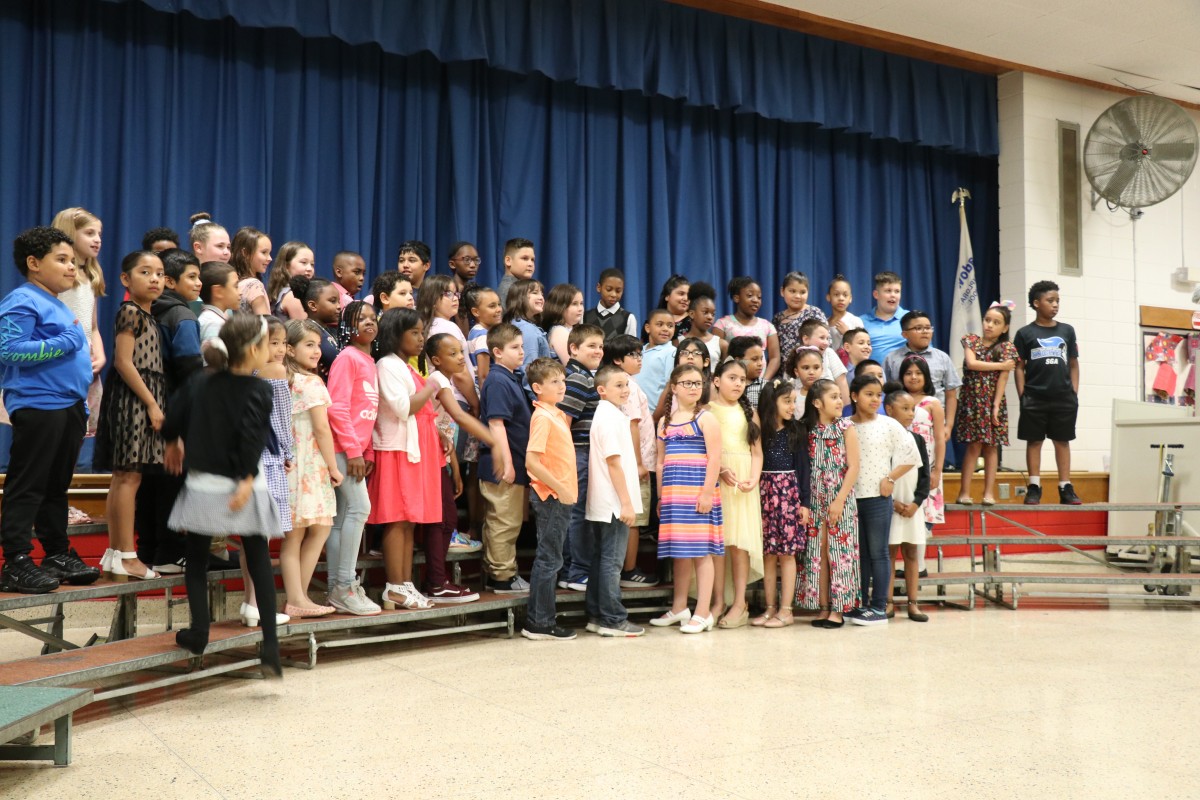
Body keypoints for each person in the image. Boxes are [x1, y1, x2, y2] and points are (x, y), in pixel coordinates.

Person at [163, 313, 283, 677]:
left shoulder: (200, 380)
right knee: (259, 560)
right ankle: (271, 648)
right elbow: (251, 438)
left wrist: (172, 443)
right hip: (242, 484)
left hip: (203, 484)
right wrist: (246, 480)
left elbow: (172, 417)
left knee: (197, 558)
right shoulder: (260, 389)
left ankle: (199, 631)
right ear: (253, 349)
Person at [0, 226, 97, 593]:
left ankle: (56, 552)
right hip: (38, 405)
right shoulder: (22, 300)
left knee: (56, 487)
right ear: (33, 263)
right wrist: (66, 340)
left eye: (73, 261)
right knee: (28, 485)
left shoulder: (56, 302)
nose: (72, 267)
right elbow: (8, 350)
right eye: (62, 260)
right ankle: (15, 561)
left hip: (68, 407)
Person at [94, 251, 168, 581]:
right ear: (126, 279)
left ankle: (115, 553)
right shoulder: (130, 311)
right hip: (132, 400)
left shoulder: (150, 316)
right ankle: (126, 554)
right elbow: (123, 362)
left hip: (142, 397)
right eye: (145, 272)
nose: (154, 278)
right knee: (128, 476)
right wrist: (152, 403)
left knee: (127, 476)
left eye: (160, 273)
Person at [137, 248, 203, 574]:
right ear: (171, 281)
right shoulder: (183, 316)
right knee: (174, 482)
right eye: (192, 276)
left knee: (150, 481)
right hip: (175, 412)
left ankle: (147, 549)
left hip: (146, 410)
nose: (199, 283)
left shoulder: (146, 311)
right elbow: (190, 367)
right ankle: (170, 553)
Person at [369, 308, 441, 609]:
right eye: (414, 332)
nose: (421, 338)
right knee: (397, 520)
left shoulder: (404, 365)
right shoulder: (387, 365)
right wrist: (432, 385)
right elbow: (403, 407)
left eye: (422, 332)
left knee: (410, 520)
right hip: (396, 448)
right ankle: (394, 586)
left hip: (413, 449)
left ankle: (405, 583)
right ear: (396, 334)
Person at [649, 364, 723, 634]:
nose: (694, 387)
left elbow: (715, 458)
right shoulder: (664, 421)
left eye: (697, 383)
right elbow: (660, 461)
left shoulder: (705, 418)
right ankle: (679, 607)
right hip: (673, 495)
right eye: (687, 383)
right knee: (679, 552)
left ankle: (703, 613)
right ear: (674, 387)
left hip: (698, 494)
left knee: (701, 552)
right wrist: (660, 497)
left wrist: (706, 493)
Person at [422, 333, 491, 602]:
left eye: (461, 352)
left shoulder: (445, 381)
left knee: (447, 519)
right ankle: (437, 583)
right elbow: (458, 417)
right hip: (429, 457)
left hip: (440, 455)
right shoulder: (437, 379)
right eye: (453, 354)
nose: (461, 357)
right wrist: (492, 439)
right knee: (443, 520)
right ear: (437, 360)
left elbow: (444, 430)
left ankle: (439, 581)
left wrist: (453, 465)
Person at [847, 373, 919, 626]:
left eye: (878, 395)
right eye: (869, 394)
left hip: (878, 499)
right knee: (859, 554)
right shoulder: (845, 425)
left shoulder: (889, 424)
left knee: (878, 553)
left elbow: (912, 456)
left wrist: (890, 478)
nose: (875, 399)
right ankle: (858, 603)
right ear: (854, 396)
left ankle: (878, 605)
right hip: (851, 499)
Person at [325, 302, 384, 615]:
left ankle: (337, 586)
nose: (369, 323)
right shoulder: (347, 358)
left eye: (373, 318)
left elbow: (367, 413)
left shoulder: (367, 360)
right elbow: (337, 408)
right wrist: (353, 451)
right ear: (347, 326)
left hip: (356, 449)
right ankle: (346, 585)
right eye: (362, 319)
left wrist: (368, 450)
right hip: (342, 448)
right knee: (360, 508)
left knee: (342, 517)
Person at [282, 319, 343, 616]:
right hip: (308, 462)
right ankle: (297, 598)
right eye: (309, 344)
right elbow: (322, 428)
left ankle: (299, 597)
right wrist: (333, 467)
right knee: (308, 531)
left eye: (318, 345)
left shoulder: (286, 379)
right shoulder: (311, 382)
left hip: (293, 463)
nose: (317, 351)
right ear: (290, 349)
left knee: (309, 530)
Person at [583, 364, 646, 637]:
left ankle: (597, 615)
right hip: (613, 502)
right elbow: (613, 463)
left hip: (608, 501)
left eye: (627, 384)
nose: (625, 389)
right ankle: (612, 619)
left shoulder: (612, 414)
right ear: (602, 390)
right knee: (612, 561)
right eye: (618, 385)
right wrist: (626, 503)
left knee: (602, 559)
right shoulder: (608, 417)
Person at [521, 357, 578, 640]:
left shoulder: (554, 412)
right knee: (549, 558)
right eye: (554, 382)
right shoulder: (542, 416)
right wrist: (560, 488)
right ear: (537, 387)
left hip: (560, 496)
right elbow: (532, 461)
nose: (562, 386)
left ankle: (543, 617)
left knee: (552, 557)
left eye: (563, 381)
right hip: (551, 496)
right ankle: (540, 622)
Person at [798, 379, 859, 628]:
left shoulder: (846, 427)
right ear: (816, 402)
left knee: (839, 552)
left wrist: (839, 500)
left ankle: (839, 607)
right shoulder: (806, 430)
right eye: (833, 396)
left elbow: (854, 467)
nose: (839, 401)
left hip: (839, 498)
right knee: (819, 551)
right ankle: (823, 605)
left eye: (839, 396)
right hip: (814, 498)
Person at [244, 317, 293, 628]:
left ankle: (251, 603)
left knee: (251, 538)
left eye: (283, 343)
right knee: (258, 539)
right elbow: (281, 419)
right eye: (272, 343)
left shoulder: (243, 370)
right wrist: (288, 452)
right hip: (268, 458)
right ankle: (261, 606)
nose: (279, 350)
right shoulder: (275, 371)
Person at [476, 322, 532, 593]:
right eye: (515, 347)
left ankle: (502, 572)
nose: (521, 352)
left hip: (515, 464)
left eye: (522, 346)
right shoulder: (498, 380)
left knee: (506, 521)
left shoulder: (510, 376)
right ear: (497, 352)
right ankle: (502, 577)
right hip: (502, 466)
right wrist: (507, 464)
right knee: (503, 522)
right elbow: (496, 424)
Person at [707, 359, 763, 629]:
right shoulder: (707, 410)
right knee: (719, 544)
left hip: (742, 482)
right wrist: (718, 470)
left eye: (742, 379)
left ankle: (740, 603)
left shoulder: (749, 411)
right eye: (732, 378)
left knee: (739, 544)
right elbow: (704, 450)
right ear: (717, 380)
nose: (738, 383)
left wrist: (754, 477)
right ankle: (718, 601)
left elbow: (757, 452)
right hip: (717, 479)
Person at [1014, 280, 1081, 505]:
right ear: (1036, 303)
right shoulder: (1025, 333)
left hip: (1063, 397)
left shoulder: (1067, 331)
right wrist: (1023, 394)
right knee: (1034, 441)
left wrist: (1074, 392)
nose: (1055, 305)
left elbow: (1073, 363)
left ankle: (1065, 486)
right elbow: (1019, 366)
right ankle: (1034, 486)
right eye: (1050, 300)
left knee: (1062, 441)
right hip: (1034, 397)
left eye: (1057, 301)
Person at [50, 208, 106, 469]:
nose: (97, 239)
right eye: (89, 233)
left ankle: (64, 499)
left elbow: (92, 325)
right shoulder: (58, 279)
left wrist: (100, 352)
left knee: (75, 436)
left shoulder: (92, 275)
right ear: (71, 234)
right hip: (61, 364)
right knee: (55, 436)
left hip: (85, 363)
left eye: (99, 234)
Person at [753, 377, 811, 628]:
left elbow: (803, 469)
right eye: (787, 401)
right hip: (763, 493)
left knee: (787, 555)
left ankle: (786, 610)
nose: (792, 407)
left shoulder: (796, 431)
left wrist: (805, 503)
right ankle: (769, 607)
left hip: (788, 494)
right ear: (771, 402)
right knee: (768, 554)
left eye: (794, 402)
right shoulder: (760, 431)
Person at [602, 335, 659, 588]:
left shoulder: (628, 384)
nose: (639, 359)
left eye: (640, 354)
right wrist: (638, 463)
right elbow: (634, 425)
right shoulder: (629, 386)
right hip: (638, 462)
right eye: (633, 355)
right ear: (617, 360)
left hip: (636, 460)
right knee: (635, 517)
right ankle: (630, 570)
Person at [557, 324, 606, 592]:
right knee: (578, 514)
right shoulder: (579, 378)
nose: (598, 351)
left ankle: (568, 571)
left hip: (580, 453)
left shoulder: (582, 375)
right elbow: (564, 422)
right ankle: (577, 573)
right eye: (591, 346)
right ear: (574, 349)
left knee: (574, 513)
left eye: (600, 346)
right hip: (578, 452)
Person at [957, 302, 1018, 505]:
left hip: (993, 401)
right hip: (973, 400)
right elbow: (973, 364)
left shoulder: (1007, 347)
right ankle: (964, 492)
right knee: (974, 446)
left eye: (996, 322)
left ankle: (988, 493)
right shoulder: (971, 341)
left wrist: (996, 405)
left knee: (992, 446)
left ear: (1005, 328)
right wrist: (1001, 365)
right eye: (987, 320)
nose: (989, 325)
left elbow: (1003, 378)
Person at [883, 386, 931, 623]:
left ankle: (913, 603)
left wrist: (916, 503)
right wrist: (892, 502)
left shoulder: (918, 440)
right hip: (889, 505)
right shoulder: (883, 438)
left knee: (911, 553)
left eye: (912, 409)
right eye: (905, 408)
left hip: (913, 507)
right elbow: (878, 473)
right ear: (889, 409)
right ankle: (888, 601)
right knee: (889, 554)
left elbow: (925, 477)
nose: (911, 413)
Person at [882, 310, 961, 445]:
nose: (925, 332)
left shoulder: (942, 357)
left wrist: (948, 426)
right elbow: (886, 393)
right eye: (918, 328)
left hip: (933, 423)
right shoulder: (892, 359)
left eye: (928, 328)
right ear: (905, 334)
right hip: (900, 424)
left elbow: (951, 394)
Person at [900, 355, 946, 536]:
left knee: (923, 522)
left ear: (926, 376)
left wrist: (937, 471)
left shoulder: (933, 403)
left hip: (927, 464)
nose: (913, 377)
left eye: (918, 373)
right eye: (908, 373)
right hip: (903, 464)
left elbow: (940, 439)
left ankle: (920, 564)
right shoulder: (895, 401)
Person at [713, 277, 780, 379]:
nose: (755, 300)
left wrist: (763, 382)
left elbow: (775, 357)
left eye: (759, 297)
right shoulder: (723, 324)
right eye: (749, 295)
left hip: (760, 383)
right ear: (737, 298)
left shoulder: (767, 326)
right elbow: (717, 356)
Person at [775, 271, 827, 369]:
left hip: (810, 371)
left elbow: (826, 342)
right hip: (785, 373)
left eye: (802, 292)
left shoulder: (814, 313)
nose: (797, 296)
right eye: (792, 291)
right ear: (782, 291)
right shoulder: (778, 318)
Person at [503, 278, 552, 381]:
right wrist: (535, 396)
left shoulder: (520, 324)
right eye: (535, 293)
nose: (541, 298)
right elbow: (529, 370)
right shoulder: (527, 330)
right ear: (520, 297)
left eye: (542, 294)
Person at [294, 276, 341, 381]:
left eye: (339, 301)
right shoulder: (307, 332)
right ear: (313, 305)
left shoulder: (326, 330)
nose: (339, 306)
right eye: (333, 301)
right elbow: (338, 363)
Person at [634, 308, 677, 411]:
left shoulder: (672, 352)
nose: (666, 329)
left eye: (670, 326)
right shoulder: (639, 351)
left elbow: (669, 386)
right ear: (648, 328)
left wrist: (657, 416)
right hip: (635, 412)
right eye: (660, 324)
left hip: (655, 414)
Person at [798, 318, 849, 404]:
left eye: (827, 338)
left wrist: (846, 410)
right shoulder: (797, 356)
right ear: (806, 339)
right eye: (822, 338)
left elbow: (842, 383)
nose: (826, 342)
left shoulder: (829, 353)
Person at [859, 271, 909, 360]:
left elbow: (925, 351)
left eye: (897, 291)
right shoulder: (860, 322)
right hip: (870, 373)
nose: (893, 295)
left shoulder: (910, 319)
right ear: (876, 294)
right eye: (888, 291)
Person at [197, 261, 238, 366]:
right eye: (236, 286)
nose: (240, 292)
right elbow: (213, 366)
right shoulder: (213, 323)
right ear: (218, 291)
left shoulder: (216, 319)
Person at [583, 267, 638, 340]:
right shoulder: (585, 316)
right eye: (609, 289)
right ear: (599, 287)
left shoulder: (628, 318)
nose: (614, 295)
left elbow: (631, 348)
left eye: (618, 291)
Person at [229, 226, 272, 315]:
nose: (270, 258)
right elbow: (265, 323)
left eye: (269, 253)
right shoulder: (254, 285)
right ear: (245, 253)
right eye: (264, 252)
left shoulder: (232, 285)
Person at [267, 241, 315, 319]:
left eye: (312, 264)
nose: (310, 269)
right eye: (303, 262)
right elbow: (305, 330)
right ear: (286, 266)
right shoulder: (293, 296)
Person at [542, 282, 585, 364]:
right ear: (560, 307)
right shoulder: (560, 331)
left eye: (581, 303)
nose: (580, 308)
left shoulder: (570, 329)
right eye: (574, 304)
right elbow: (571, 365)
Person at [685, 281, 726, 364]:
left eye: (713, 314)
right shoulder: (678, 342)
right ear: (692, 314)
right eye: (705, 312)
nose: (710, 317)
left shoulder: (722, 344)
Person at [825, 274, 864, 351]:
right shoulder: (824, 323)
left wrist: (847, 333)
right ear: (828, 297)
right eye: (836, 294)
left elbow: (862, 347)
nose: (841, 298)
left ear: (850, 298)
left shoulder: (855, 321)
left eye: (845, 295)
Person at [727, 335, 766, 407]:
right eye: (754, 359)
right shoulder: (725, 385)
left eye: (761, 359)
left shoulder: (766, 387)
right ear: (738, 361)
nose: (760, 363)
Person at [786, 346, 824, 419]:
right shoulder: (794, 396)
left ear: (822, 370)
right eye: (806, 368)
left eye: (816, 368)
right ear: (796, 372)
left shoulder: (827, 393)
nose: (811, 372)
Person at [496, 237, 535, 307]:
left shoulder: (520, 288)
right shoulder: (509, 290)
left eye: (532, 259)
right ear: (508, 261)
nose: (530, 264)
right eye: (525, 258)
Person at [654, 275, 691, 341]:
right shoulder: (652, 321)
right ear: (667, 296)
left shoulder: (694, 322)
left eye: (689, 296)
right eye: (681, 294)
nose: (686, 299)